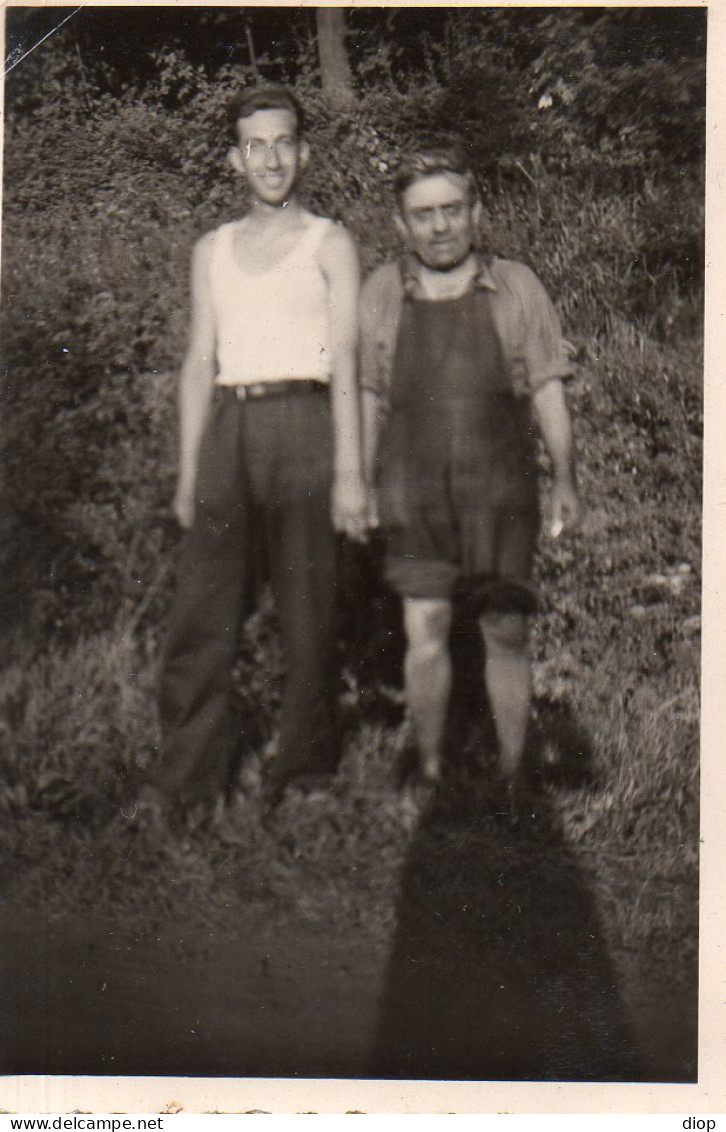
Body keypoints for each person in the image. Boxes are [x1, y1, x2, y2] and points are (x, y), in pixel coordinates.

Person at [154, 85, 367, 828]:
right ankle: (187, 785)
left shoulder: (330, 242)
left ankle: (303, 775)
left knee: (308, 610)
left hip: (305, 426)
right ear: (234, 159)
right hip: (228, 431)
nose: (271, 159)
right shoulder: (210, 250)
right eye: (255, 146)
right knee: (201, 612)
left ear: (303, 152)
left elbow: (345, 359)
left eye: (283, 143)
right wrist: (188, 473)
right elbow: (197, 361)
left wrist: (349, 472)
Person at [360, 147, 579, 802]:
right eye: (423, 215)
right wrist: (361, 481)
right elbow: (368, 396)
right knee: (425, 628)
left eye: (452, 210)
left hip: (502, 490)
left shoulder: (516, 286)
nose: (439, 226)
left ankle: (515, 775)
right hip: (414, 489)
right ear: (400, 226)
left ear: (476, 213)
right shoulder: (381, 291)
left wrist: (565, 476)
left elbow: (547, 389)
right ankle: (429, 772)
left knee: (506, 628)